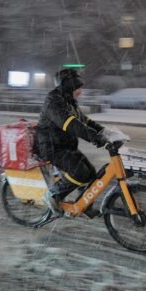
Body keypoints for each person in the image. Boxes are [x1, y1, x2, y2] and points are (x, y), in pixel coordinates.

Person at [35, 69, 109, 214]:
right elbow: (71, 124)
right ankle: (53, 195)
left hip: (66, 146)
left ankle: (84, 205)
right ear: (69, 86)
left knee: (90, 173)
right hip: (52, 147)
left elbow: (84, 120)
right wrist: (94, 137)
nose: (80, 92)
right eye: (78, 88)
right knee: (79, 172)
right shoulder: (53, 101)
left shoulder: (69, 101)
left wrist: (104, 131)